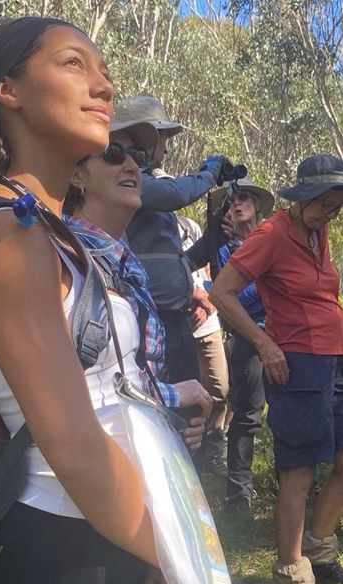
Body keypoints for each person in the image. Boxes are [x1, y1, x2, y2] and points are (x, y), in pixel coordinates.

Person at [0, 17, 207, 584]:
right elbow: (70, 441)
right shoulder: (4, 235)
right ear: (8, 91)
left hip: (106, 523)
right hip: (58, 542)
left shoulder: (51, 232)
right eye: (73, 63)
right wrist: (174, 555)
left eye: (104, 72)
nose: (102, 87)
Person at [211, 155, 343, 584]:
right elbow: (220, 292)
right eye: (323, 204)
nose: (330, 214)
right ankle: (292, 580)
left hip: (335, 360)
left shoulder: (316, 231)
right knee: (298, 472)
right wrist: (264, 344)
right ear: (300, 199)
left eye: (338, 206)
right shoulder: (270, 235)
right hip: (295, 362)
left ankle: (319, 551)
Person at [116, 96, 227, 389]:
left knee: (190, 408)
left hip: (177, 322)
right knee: (166, 405)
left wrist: (215, 236)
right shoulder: (129, 183)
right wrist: (209, 174)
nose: (165, 147)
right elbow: (176, 193)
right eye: (161, 137)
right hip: (149, 320)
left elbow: (180, 261)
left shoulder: (152, 192)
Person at [210, 178, 275, 513]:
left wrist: (247, 290)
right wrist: (264, 288)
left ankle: (300, 480)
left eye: (246, 198)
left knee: (291, 410)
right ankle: (238, 495)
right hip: (247, 338)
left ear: (258, 206)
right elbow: (225, 297)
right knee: (247, 414)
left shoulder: (276, 241)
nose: (238, 203)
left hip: (285, 333)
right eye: (233, 200)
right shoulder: (223, 251)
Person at [179, 214, 230, 475]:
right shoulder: (144, 227)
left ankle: (213, 451)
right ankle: (191, 459)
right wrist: (197, 297)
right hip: (180, 324)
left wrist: (209, 305)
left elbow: (208, 270)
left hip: (208, 324)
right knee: (188, 395)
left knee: (219, 390)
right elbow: (159, 274)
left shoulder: (190, 227)